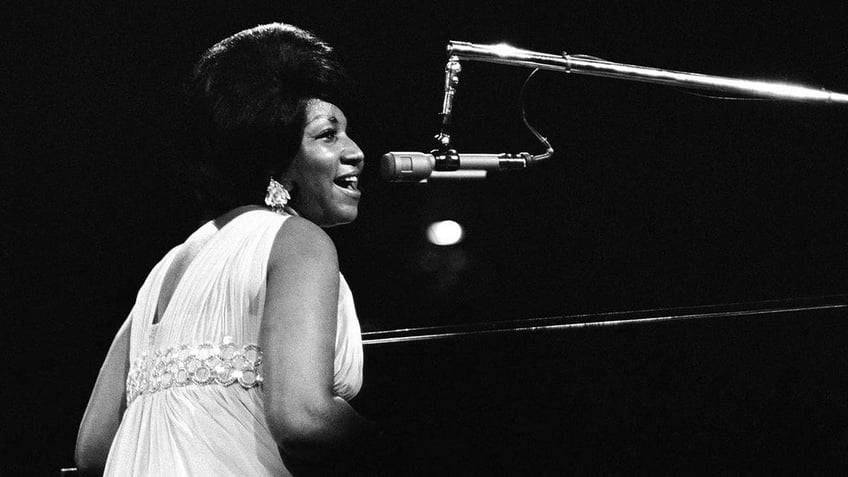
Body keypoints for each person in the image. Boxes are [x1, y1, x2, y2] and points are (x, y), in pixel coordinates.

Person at [75, 22, 380, 476]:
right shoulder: (297, 241)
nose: (355, 151)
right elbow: (304, 421)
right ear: (277, 157)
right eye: (327, 135)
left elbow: (93, 452)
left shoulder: (167, 267)